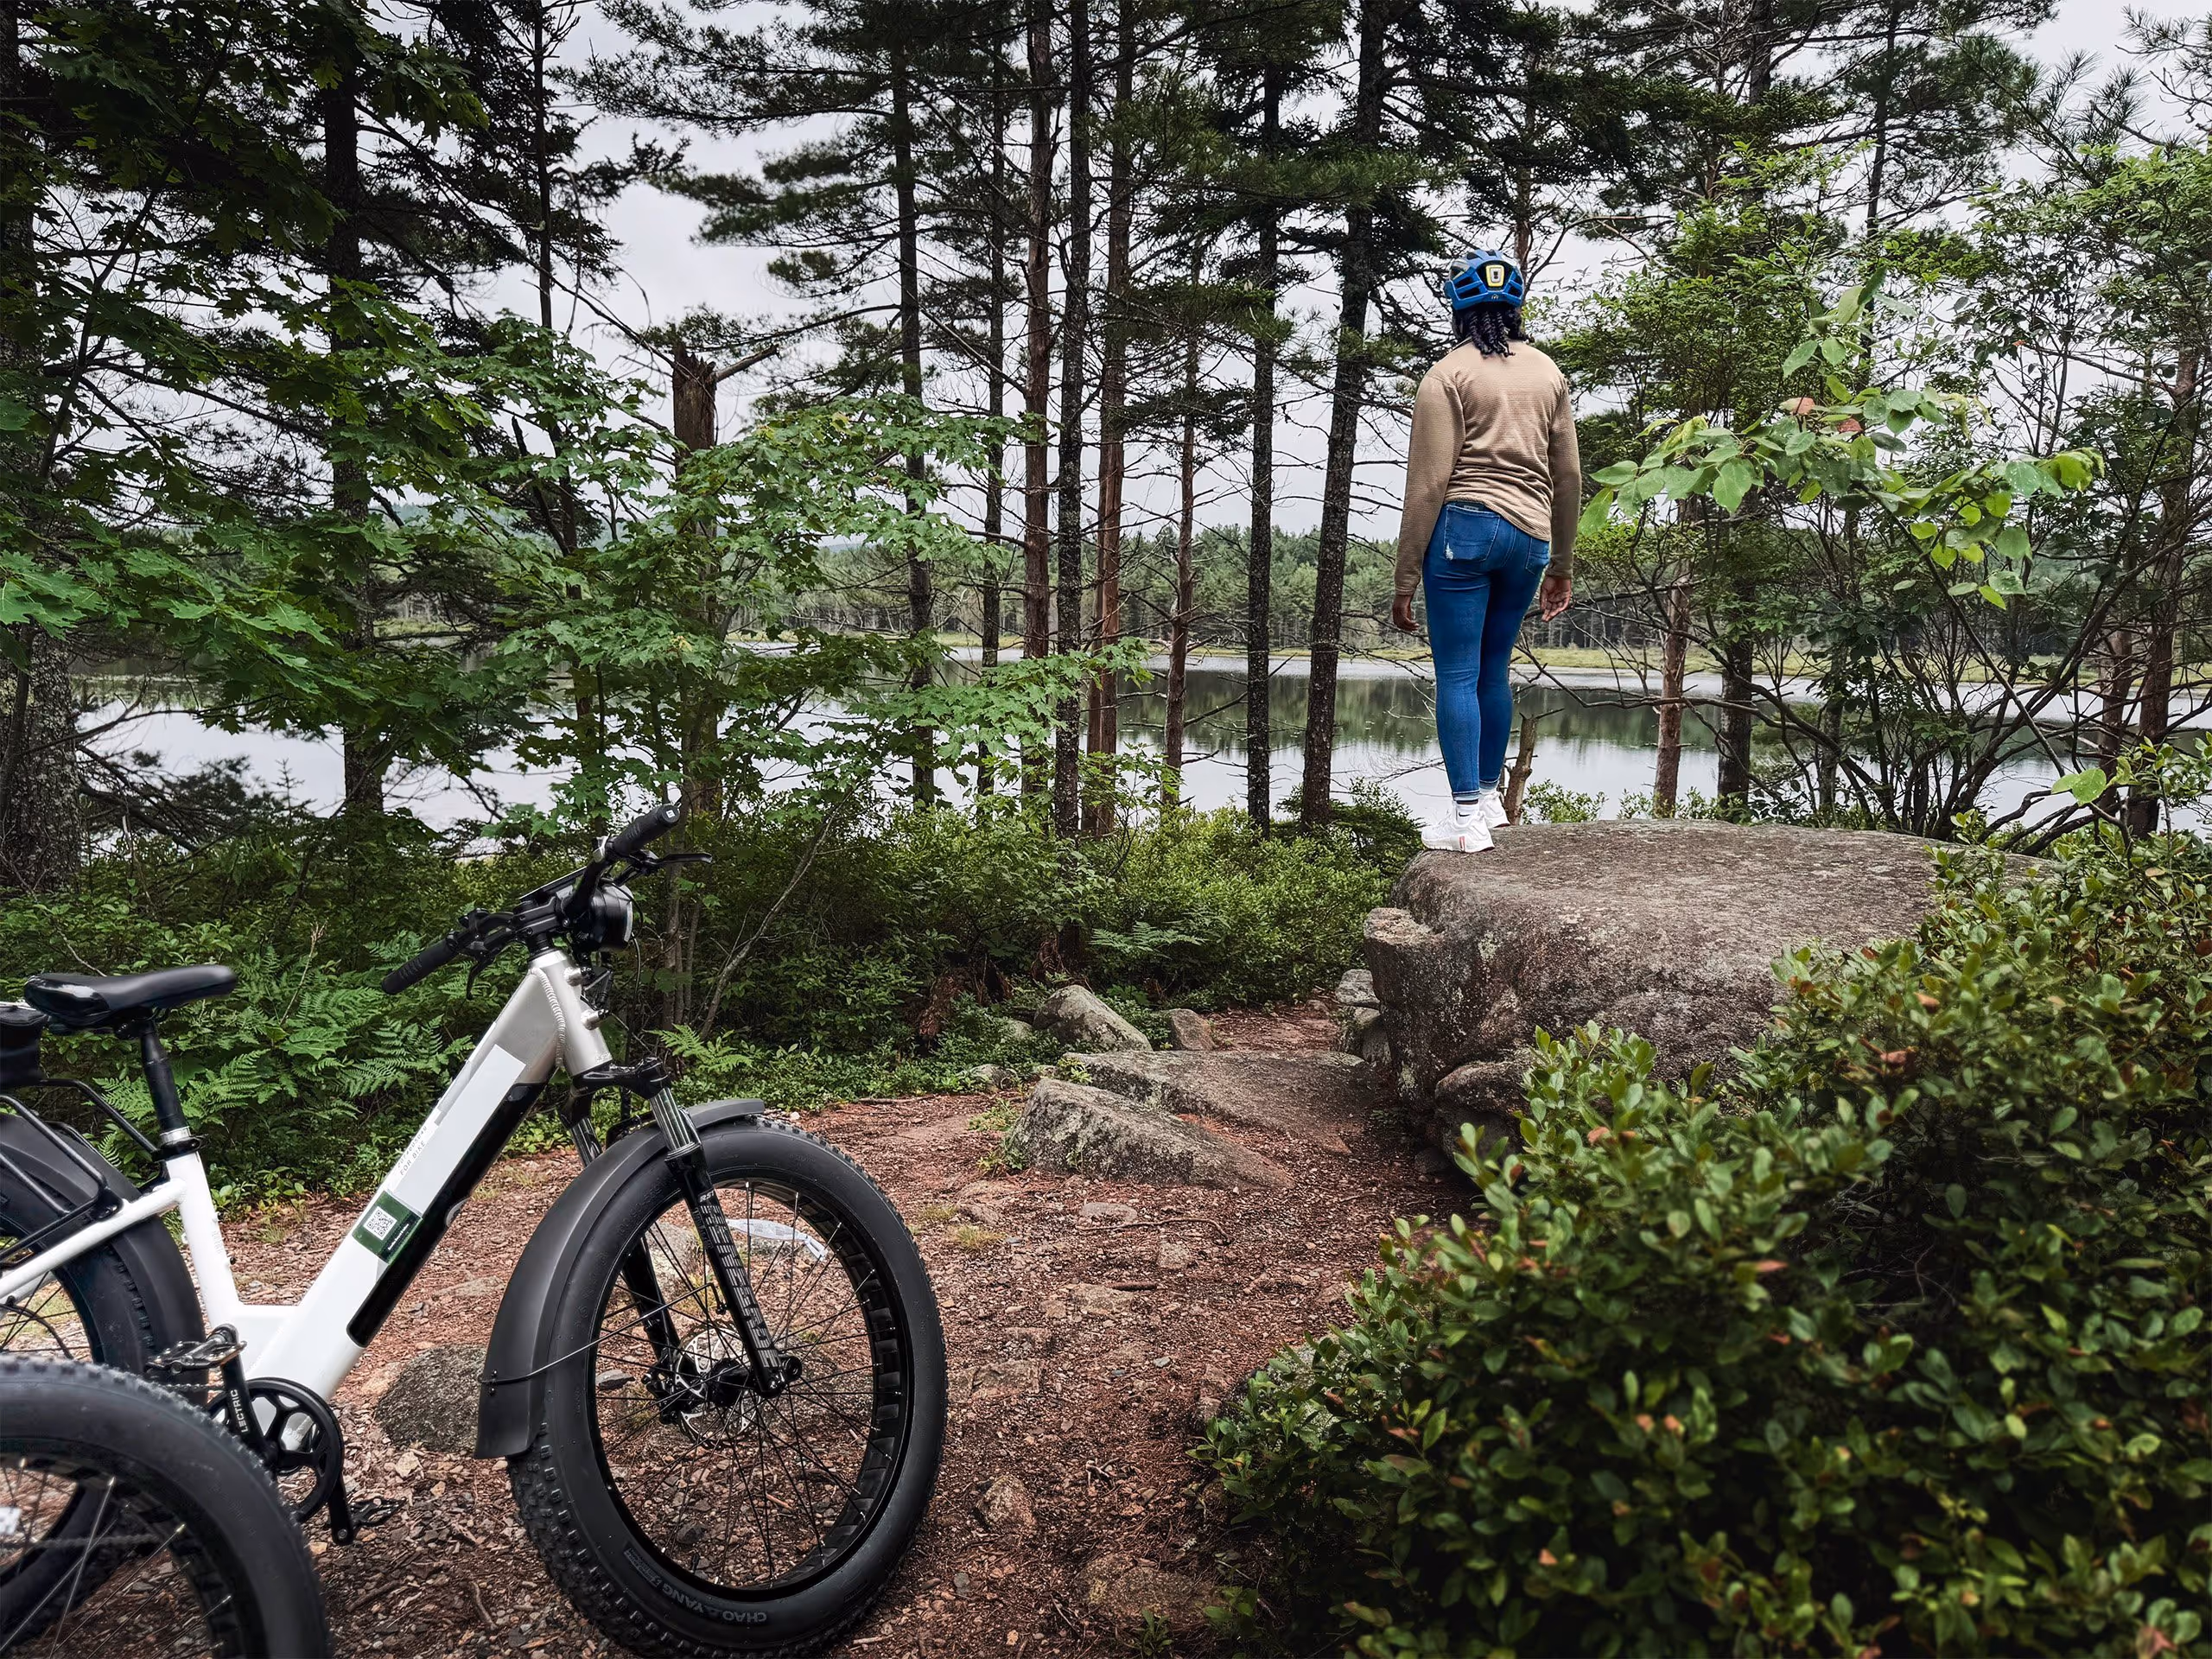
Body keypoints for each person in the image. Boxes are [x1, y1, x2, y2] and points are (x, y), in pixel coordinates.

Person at [1391, 249, 1579, 853]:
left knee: (1457, 673)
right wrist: (1562, 565)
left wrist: (1405, 578)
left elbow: (1427, 486)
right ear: (1514, 308)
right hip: (1530, 536)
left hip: (1466, 531)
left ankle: (1465, 817)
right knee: (1493, 669)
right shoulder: (1549, 373)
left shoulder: (1447, 375)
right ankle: (1492, 800)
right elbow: (1569, 476)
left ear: (1458, 311)